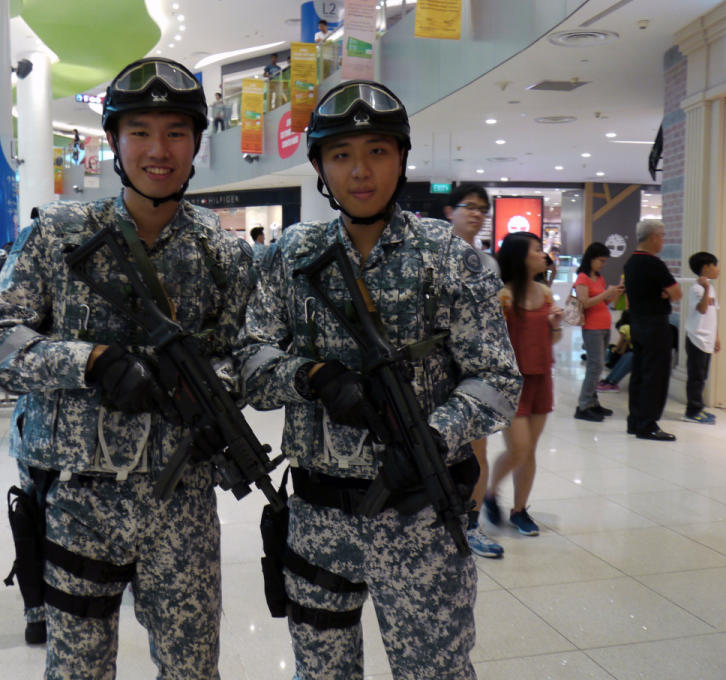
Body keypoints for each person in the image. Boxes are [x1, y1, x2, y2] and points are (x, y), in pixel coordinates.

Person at [0, 57, 254, 679]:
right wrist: (90, 362)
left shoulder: (224, 252)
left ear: (197, 143)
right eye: (141, 131)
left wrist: (197, 386)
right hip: (77, 498)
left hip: (182, 504)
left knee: (192, 669)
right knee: (77, 671)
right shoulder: (59, 235)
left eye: (176, 132)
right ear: (114, 142)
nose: (159, 149)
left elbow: (248, 356)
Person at [238, 80, 521, 680]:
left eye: (377, 152)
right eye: (341, 155)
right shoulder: (291, 254)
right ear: (319, 167)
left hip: (419, 517)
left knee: (434, 672)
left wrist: (432, 434)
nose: (360, 171)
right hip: (317, 519)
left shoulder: (447, 256)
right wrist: (310, 376)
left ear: (401, 158)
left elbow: (498, 379)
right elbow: (250, 366)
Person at [484, 232, 563, 537]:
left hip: (541, 378)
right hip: (510, 383)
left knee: (530, 451)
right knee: (519, 448)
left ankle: (520, 510)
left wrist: (555, 326)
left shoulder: (544, 293)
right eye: (537, 249)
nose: (543, 254)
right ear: (520, 256)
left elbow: (553, 339)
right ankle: (490, 491)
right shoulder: (502, 296)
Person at [443, 183, 503, 558]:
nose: (477, 214)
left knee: (477, 450)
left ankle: (471, 523)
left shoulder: (488, 264)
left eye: (483, 209)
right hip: (432, 368)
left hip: (472, 371)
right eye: (470, 206)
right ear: (451, 210)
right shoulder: (429, 252)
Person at [623, 219, 681, 441]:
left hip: (637, 322)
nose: (663, 240)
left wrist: (663, 292)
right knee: (655, 375)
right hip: (655, 324)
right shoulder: (654, 263)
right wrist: (665, 293)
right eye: (663, 236)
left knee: (639, 372)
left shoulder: (630, 263)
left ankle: (635, 420)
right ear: (654, 237)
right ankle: (648, 424)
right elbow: (676, 293)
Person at [573, 242, 624, 422]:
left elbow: (605, 303)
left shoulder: (599, 278)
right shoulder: (582, 278)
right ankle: (584, 404)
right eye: (600, 260)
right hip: (591, 327)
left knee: (598, 366)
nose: (603, 264)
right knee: (596, 365)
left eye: (604, 261)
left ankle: (592, 402)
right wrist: (605, 294)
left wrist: (614, 293)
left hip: (603, 324)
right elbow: (584, 303)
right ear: (592, 259)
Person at [684, 251, 721, 424]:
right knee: (696, 376)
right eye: (714, 265)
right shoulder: (697, 288)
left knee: (703, 376)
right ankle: (692, 411)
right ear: (705, 268)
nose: (717, 269)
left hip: (708, 339)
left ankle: (699, 408)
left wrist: (717, 337)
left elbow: (713, 314)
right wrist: (705, 288)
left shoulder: (711, 288)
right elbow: (702, 309)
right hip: (696, 339)